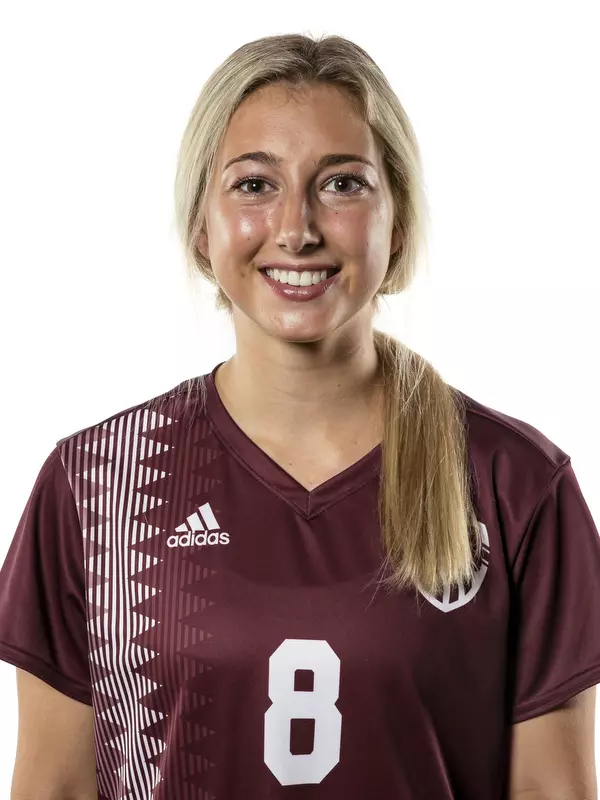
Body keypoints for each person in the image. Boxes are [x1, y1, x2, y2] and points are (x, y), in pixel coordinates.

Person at [0, 31, 599, 800]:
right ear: (200, 226)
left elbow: (554, 791)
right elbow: (53, 786)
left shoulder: (515, 486)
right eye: (254, 185)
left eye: (342, 184)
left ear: (400, 222)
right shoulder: (100, 486)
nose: (297, 228)